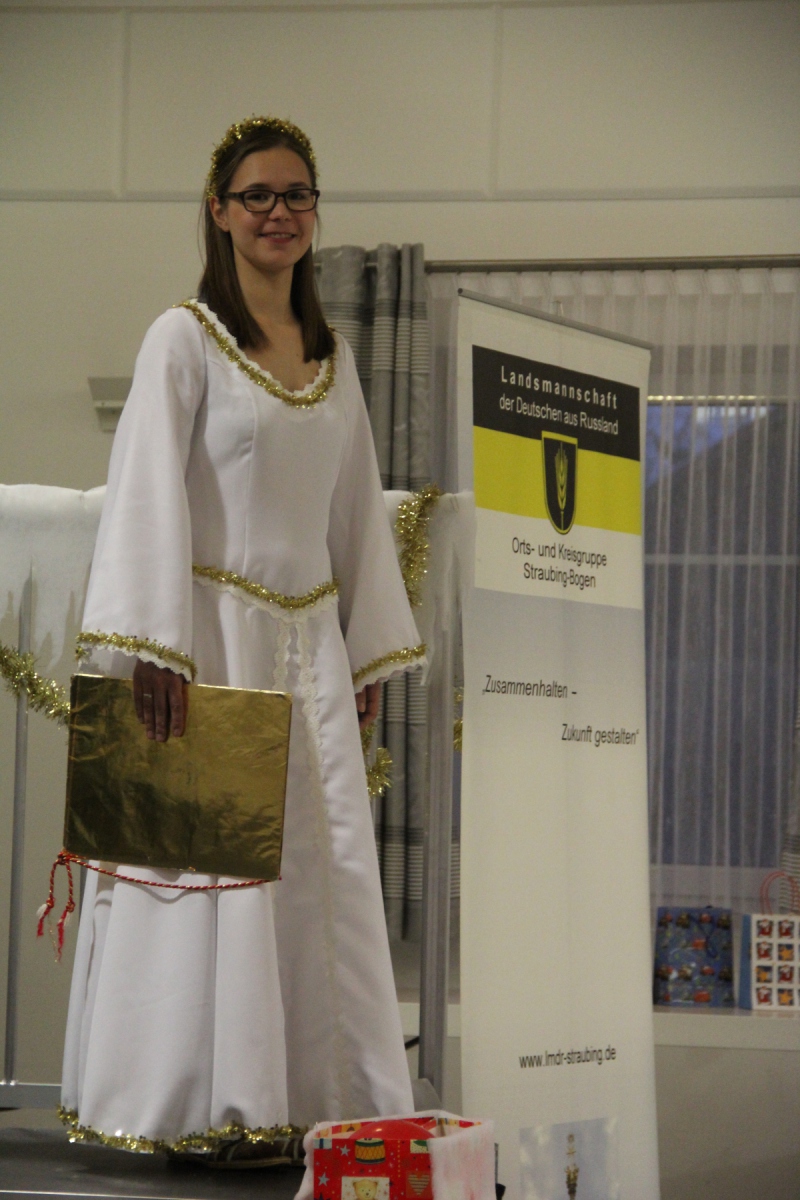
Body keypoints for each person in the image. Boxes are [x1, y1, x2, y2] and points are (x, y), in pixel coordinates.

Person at [60, 116, 424, 1165]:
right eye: (258, 195)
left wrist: (365, 649)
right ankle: (187, 1104)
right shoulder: (183, 338)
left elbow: (355, 511)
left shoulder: (332, 359)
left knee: (318, 875)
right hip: (209, 647)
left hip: (309, 656)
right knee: (202, 875)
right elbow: (143, 488)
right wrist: (155, 644)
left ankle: (311, 1099)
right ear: (218, 211)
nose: (279, 213)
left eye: (297, 195)